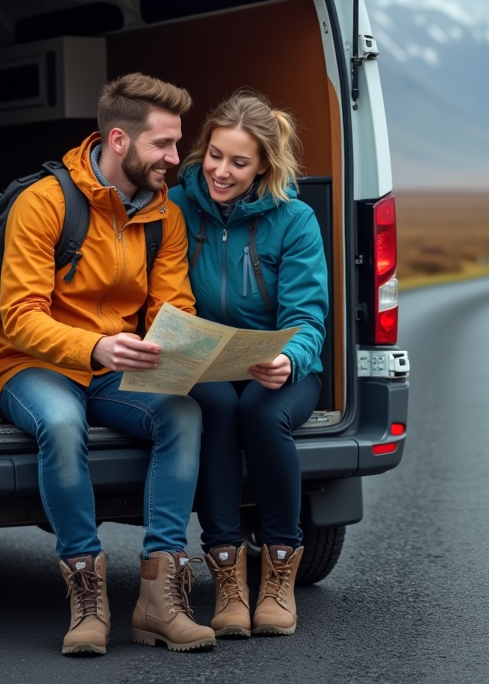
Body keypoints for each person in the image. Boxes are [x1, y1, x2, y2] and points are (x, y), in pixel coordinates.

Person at [0, 73, 216, 655]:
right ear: (119, 140)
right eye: (162, 144)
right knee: (61, 425)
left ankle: (160, 598)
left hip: (116, 365)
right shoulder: (43, 202)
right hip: (31, 363)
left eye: (176, 143)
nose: (175, 157)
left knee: (182, 414)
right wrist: (94, 348)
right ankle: (87, 598)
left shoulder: (166, 215)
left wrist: (182, 348)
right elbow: (19, 317)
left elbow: (173, 306)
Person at [168, 89, 328, 638]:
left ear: (264, 165)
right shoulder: (175, 206)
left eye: (239, 162)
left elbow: (308, 317)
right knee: (213, 407)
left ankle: (280, 569)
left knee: (262, 412)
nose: (221, 170)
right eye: (215, 155)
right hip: (204, 361)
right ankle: (228, 577)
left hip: (277, 366)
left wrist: (288, 359)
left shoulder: (295, 219)